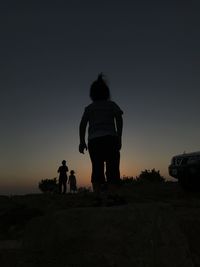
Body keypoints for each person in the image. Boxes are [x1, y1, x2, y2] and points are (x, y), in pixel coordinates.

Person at [79, 73, 123, 194]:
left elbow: (82, 124)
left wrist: (82, 141)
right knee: (112, 168)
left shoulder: (89, 108)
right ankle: (112, 195)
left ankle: (97, 196)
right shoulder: (111, 104)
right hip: (110, 139)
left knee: (97, 168)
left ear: (92, 94)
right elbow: (119, 118)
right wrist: (119, 136)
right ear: (107, 93)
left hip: (94, 141)